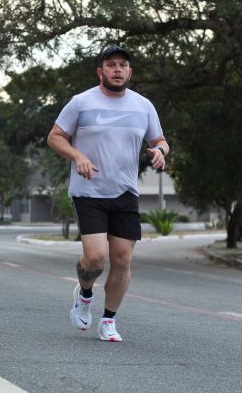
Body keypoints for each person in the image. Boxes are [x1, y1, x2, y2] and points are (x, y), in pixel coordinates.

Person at [47, 45, 169, 342]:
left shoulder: (143, 106)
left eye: (123, 65)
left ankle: (109, 321)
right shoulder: (81, 102)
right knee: (96, 257)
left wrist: (161, 152)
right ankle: (85, 294)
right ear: (100, 71)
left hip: (125, 192)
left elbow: (160, 139)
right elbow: (55, 137)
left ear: (130, 72)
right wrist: (77, 156)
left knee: (123, 260)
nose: (117, 69)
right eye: (111, 65)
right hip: (89, 192)